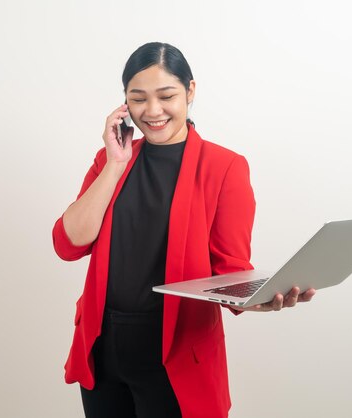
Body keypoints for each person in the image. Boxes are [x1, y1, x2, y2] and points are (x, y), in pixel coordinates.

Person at [52, 42, 316, 418]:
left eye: (167, 95)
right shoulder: (111, 160)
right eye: (138, 98)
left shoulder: (224, 167)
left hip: (177, 357)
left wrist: (261, 298)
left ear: (190, 92)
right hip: (103, 351)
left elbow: (230, 270)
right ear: (124, 103)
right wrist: (114, 164)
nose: (153, 111)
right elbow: (68, 244)